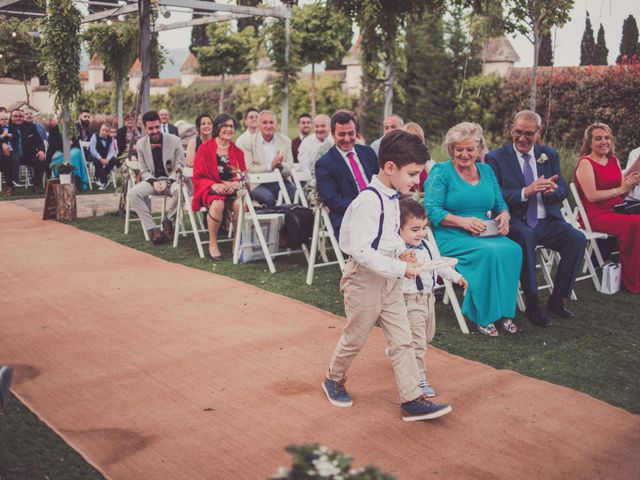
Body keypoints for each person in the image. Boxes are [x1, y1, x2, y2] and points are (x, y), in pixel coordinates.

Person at [322, 130, 452, 421]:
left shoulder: (394, 198)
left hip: (391, 279)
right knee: (356, 337)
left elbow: (388, 235)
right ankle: (333, 378)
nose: (416, 181)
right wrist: (399, 266)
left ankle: (411, 398)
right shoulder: (368, 201)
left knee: (403, 339)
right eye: (412, 173)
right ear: (390, 167)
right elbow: (362, 251)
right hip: (363, 281)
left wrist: (399, 251)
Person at [486, 110, 587, 326]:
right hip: (515, 221)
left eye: (528, 134)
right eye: (518, 132)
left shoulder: (549, 155)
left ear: (538, 133)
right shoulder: (495, 157)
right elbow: (495, 195)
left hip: (547, 220)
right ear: (511, 130)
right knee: (526, 236)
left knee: (577, 239)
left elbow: (562, 190)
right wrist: (526, 191)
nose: (522, 138)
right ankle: (532, 304)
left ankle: (558, 298)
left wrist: (551, 190)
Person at [425, 122, 521, 336]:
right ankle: (484, 315)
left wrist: (504, 215)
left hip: (484, 231)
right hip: (450, 233)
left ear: (478, 149)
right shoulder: (441, 171)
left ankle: (504, 312)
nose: (465, 154)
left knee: (513, 249)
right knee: (488, 253)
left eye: (470, 149)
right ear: (451, 149)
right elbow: (431, 210)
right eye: (459, 149)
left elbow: (500, 204)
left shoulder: (486, 171)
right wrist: (463, 222)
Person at [397, 197, 467, 397]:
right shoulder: (398, 251)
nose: (420, 233)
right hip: (409, 300)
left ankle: (398, 349)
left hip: (428, 298)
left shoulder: (426, 245)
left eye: (423, 228)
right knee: (418, 343)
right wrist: (400, 262)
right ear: (399, 229)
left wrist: (456, 276)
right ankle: (419, 380)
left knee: (427, 336)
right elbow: (391, 272)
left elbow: (439, 265)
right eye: (414, 229)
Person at [574, 123, 640, 294]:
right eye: (598, 138)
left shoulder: (614, 160)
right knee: (636, 223)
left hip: (616, 209)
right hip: (594, 214)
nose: (604, 142)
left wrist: (630, 185)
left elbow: (622, 195)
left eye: (607, 138)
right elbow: (592, 196)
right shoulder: (585, 163)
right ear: (589, 143)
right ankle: (631, 281)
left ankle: (632, 273)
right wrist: (621, 189)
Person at [315, 111, 379, 235]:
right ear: (332, 134)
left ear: (356, 133)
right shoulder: (324, 164)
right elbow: (332, 199)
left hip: (377, 211)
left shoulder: (368, 152)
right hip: (348, 216)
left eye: (351, 133)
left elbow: (381, 181)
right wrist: (363, 208)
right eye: (342, 134)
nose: (347, 139)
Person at [192, 114, 246, 260]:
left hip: (232, 190)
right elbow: (198, 176)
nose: (228, 129)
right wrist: (214, 185)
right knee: (218, 204)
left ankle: (236, 240)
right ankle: (213, 243)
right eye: (225, 126)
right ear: (217, 128)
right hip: (212, 189)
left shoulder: (238, 152)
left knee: (239, 204)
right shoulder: (205, 149)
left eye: (231, 126)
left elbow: (242, 175)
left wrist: (235, 184)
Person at [129, 111, 185, 245]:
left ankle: (168, 220)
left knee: (181, 191)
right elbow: (143, 170)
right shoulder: (141, 144)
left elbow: (180, 165)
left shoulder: (175, 140)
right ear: (145, 128)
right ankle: (153, 229)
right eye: (150, 128)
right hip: (152, 181)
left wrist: (168, 181)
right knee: (133, 193)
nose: (155, 131)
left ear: (160, 125)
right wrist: (153, 182)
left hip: (172, 180)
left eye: (157, 127)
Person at [244, 110, 296, 206]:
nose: (268, 126)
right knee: (268, 199)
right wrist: (270, 166)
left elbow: (291, 168)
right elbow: (249, 169)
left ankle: (290, 220)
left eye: (271, 122)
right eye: (265, 123)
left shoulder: (285, 141)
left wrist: (280, 165)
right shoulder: (248, 142)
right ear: (259, 126)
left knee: (298, 195)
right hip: (259, 183)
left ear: (276, 125)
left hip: (281, 181)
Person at [10, 108, 47, 193]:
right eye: (15, 116)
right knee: (6, 159)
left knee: (41, 159)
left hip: (28, 155)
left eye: (20, 116)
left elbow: (39, 142)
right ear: (11, 117)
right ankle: (10, 186)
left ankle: (36, 185)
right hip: (13, 156)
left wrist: (41, 151)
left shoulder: (31, 127)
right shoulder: (7, 127)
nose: (18, 118)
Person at [402, 122, 434, 193]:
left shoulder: (428, 162)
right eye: (410, 139)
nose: (414, 143)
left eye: (417, 139)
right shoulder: (398, 161)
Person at [88, 123, 118, 189]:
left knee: (114, 160)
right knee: (96, 160)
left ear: (109, 132)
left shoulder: (110, 139)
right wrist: (100, 158)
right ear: (100, 129)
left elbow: (111, 151)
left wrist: (107, 159)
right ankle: (105, 180)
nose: (104, 132)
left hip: (104, 155)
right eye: (103, 130)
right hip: (94, 155)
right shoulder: (94, 136)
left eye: (106, 131)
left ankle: (100, 176)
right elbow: (92, 149)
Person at [0, 111, 19, 195]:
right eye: (2, 119)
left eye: (6, 119)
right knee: (6, 161)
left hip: (13, 150)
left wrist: (9, 135)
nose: (4, 121)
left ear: (9, 120)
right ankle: (9, 186)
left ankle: (15, 179)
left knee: (15, 158)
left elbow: (17, 136)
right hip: (2, 152)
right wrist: (2, 136)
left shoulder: (12, 127)